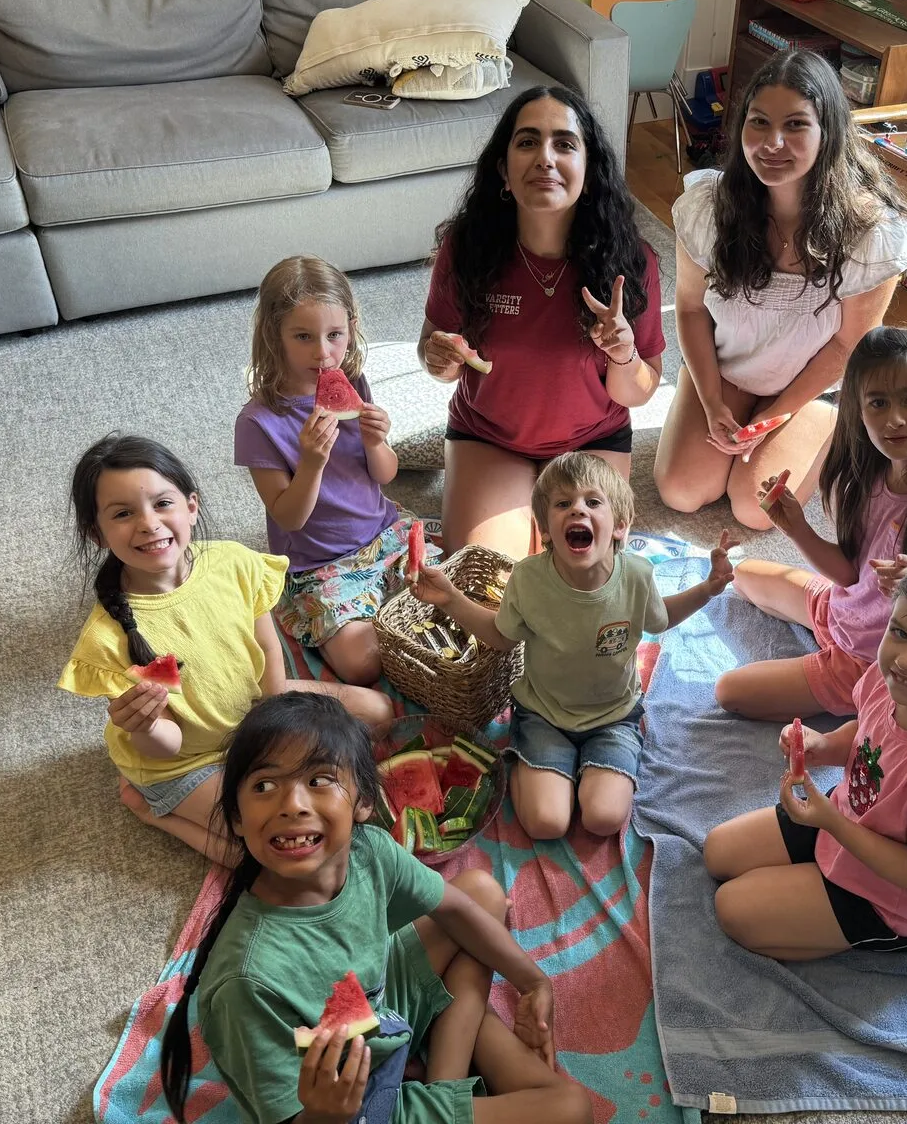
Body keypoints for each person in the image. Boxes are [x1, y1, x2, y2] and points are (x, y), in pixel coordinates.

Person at [158, 693, 592, 1124]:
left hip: (377, 1007)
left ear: (365, 801)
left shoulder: (368, 850)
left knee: (481, 893)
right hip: (356, 1106)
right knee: (572, 1108)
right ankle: (443, 1087)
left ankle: (443, 1085)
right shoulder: (246, 983)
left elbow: (457, 909)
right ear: (236, 817)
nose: (292, 804)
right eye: (265, 785)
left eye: (319, 780)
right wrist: (326, 1114)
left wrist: (534, 983)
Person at [58, 435, 394, 863]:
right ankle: (155, 812)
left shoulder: (233, 563)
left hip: (256, 707)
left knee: (379, 713)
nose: (148, 524)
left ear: (191, 507)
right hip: (185, 761)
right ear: (97, 533)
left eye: (163, 504)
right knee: (263, 855)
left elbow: (270, 662)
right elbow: (170, 745)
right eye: (123, 514)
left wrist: (282, 730)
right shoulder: (107, 641)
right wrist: (142, 727)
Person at [654, 48, 907, 529]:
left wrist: (777, 416)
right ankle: (720, 409)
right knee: (681, 491)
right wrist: (712, 400)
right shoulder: (708, 208)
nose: (772, 142)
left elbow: (849, 346)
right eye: (758, 122)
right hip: (729, 371)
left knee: (754, 511)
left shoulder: (871, 233)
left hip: (809, 388)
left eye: (796, 125)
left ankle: (832, 427)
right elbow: (691, 309)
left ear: (829, 134)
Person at [704, 556, 907, 959]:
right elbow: (868, 729)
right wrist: (826, 745)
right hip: (848, 816)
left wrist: (830, 822)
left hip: (888, 901)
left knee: (732, 908)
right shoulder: (891, 680)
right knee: (717, 852)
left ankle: (862, 931)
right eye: (900, 632)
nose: (906, 660)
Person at [411, 453, 733, 840]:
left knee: (602, 818)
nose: (578, 509)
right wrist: (449, 599)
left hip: (614, 718)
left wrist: (708, 589)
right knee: (547, 824)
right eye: (563, 504)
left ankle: (581, 771)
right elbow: (501, 636)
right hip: (543, 715)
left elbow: (659, 618)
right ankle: (536, 769)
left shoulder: (637, 575)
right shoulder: (527, 578)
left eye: (593, 502)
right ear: (546, 529)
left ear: (620, 527)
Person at [418, 85, 666, 558]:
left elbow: (637, 390)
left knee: (580, 582)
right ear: (503, 171)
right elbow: (436, 355)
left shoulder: (632, 261)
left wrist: (623, 354)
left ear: (589, 173)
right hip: (488, 437)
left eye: (565, 144)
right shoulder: (465, 248)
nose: (545, 158)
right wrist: (439, 356)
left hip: (594, 441)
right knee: (489, 584)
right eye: (527, 142)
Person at [716, 326, 907, 723]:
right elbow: (850, 575)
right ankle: (828, 637)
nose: (895, 419)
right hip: (842, 609)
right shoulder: (873, 472)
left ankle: (860, 695)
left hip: (875, 659)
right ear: (858, 411)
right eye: (878, 403)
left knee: (729, 691)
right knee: (740, 575)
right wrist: (797, 527)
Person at [236, 256, 435, 687]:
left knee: (462, 604)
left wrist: (377, 442)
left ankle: (386, 613)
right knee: (363, 664)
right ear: (275, 335)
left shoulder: (354, 381)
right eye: (303, 337)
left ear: (351, 326)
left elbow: (384, 476)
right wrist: (311, 463)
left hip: (386, 535)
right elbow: (289, 517)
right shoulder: (257, 423)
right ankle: (336, 626)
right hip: (320, 565)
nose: (323, 353)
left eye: (334, 335)